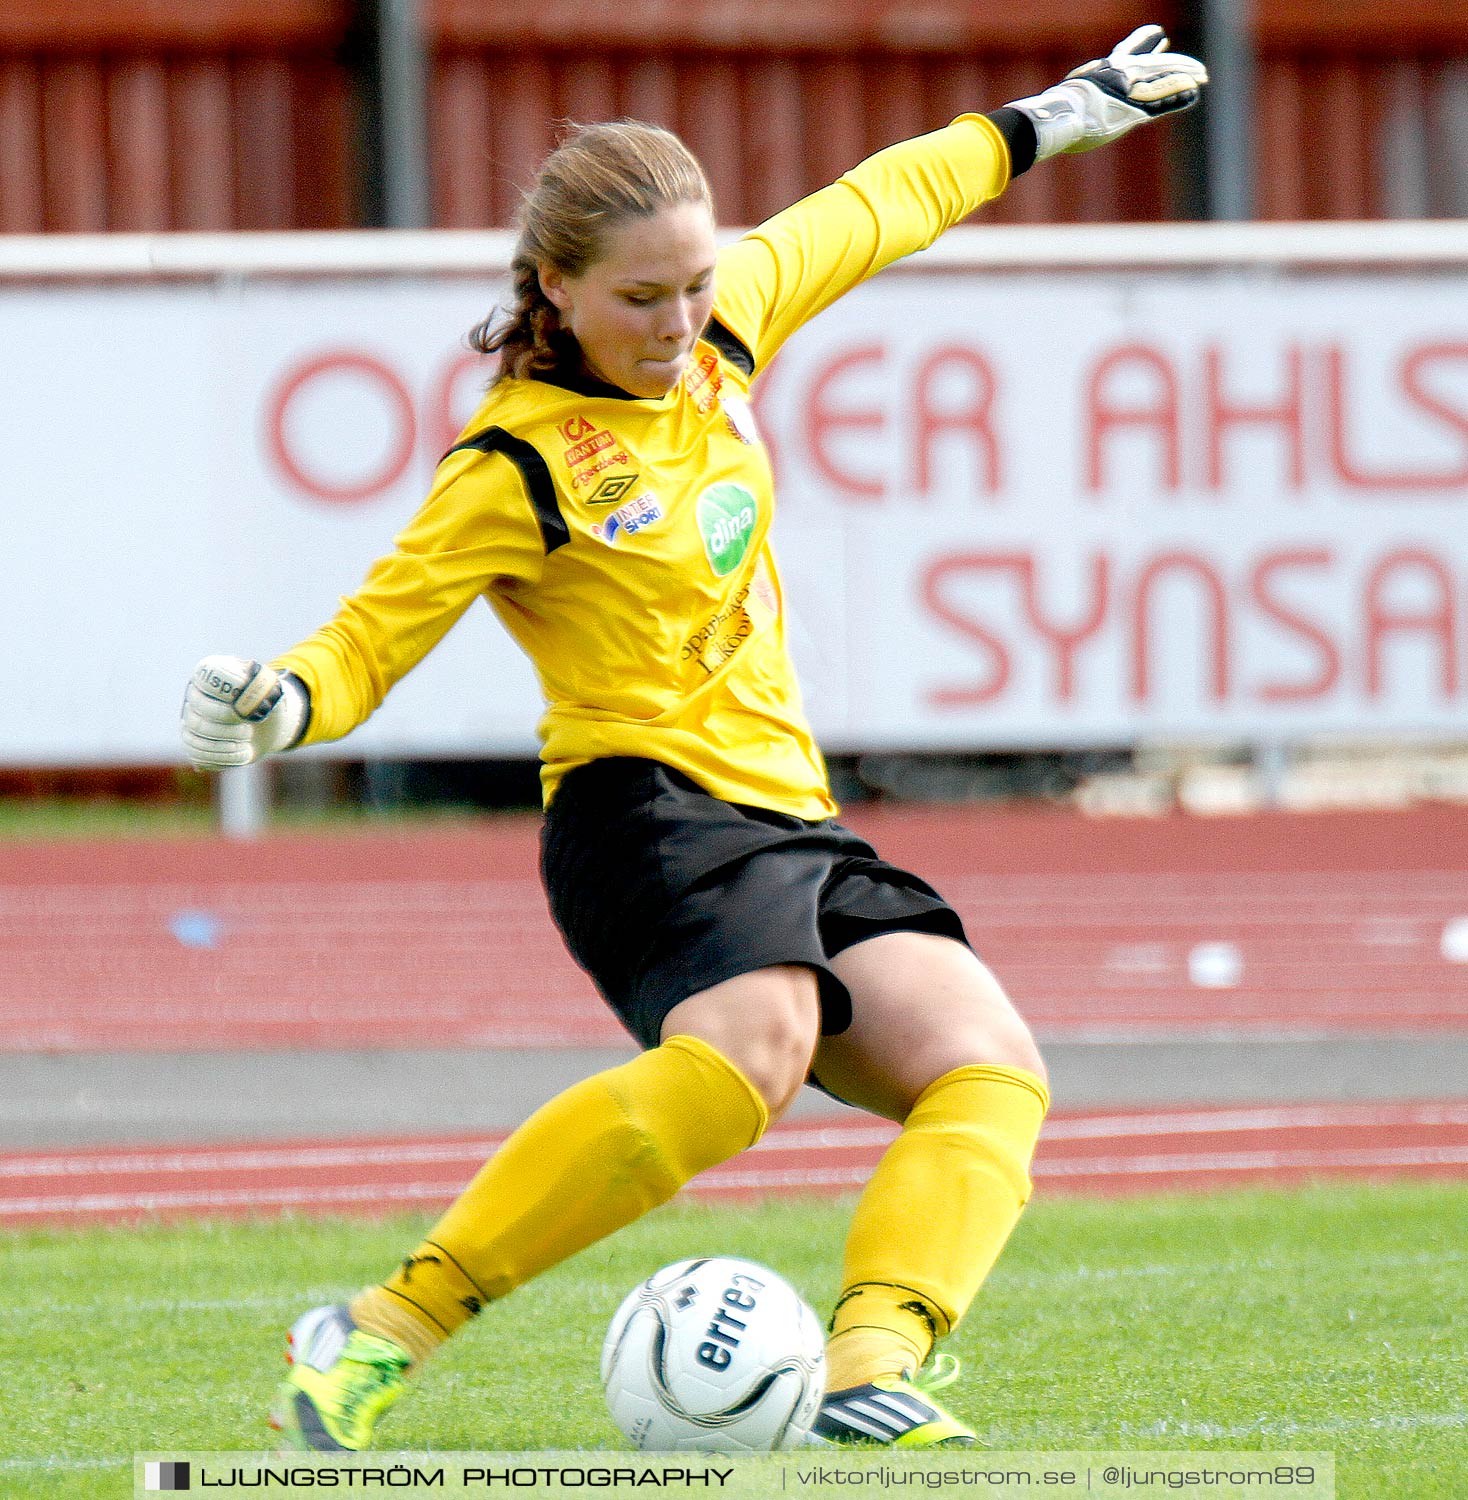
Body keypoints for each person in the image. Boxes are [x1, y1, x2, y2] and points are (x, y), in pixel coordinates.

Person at [181, 26, 1205, 1452]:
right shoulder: (518, 459)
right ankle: (379, 1330)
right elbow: (372, 636)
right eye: (639, 298)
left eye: (696, 286)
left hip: (788, 813)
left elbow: (878, 202)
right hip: (638, 811)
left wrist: (1053, 116)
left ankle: (869, 1369)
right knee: (757, 1049)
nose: (677, 324)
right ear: (556, 290)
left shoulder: (726, 336)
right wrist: (283, 702)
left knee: (988, 1063)